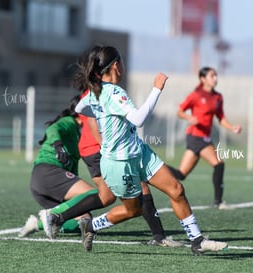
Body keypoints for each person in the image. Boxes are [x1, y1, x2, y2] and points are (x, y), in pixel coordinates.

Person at [40, 45, 228, 255]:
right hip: (119, 163)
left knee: (176, 189)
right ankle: (91, 226)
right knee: (134, 210)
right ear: (116, 65)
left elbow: (79, 108)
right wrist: (156, 89)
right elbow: (138, 120)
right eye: (122, 62)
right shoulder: (114, 91)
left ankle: (197, 241)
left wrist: (101, 118)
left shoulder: (96, 92)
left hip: (139, 152)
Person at [78, 89, 182, 247]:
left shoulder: (112, 90)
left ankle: (188, 239)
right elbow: (137, 119)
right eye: (118, 62)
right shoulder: (99, 92)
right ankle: (66, 218)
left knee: (171, 189)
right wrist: (156, 89)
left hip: (131, 154)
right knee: (125, 206)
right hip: (113, 158)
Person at [18, 95, 106, 239]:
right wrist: (58, 145)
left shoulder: (80, 133)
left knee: (85, 218)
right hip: (48, 173)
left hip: (42, 183)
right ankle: (50, 214)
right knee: (94, 195)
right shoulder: (69, 121)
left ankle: (36, 224)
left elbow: (72, 169)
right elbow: (53, 128)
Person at [167, 67, 242, 209]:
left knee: (181, 174)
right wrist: (189, 117)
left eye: (216, 75)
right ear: (203, 79)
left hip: (203, 137)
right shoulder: (196, 95)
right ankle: (218, 202)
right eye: (212, 76)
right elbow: (180, 111)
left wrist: (232, 127)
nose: (215, 78)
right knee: (219, 164)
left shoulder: (218, 97)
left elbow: (221, 118)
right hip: (196, 136)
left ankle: (155, 168)